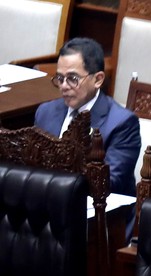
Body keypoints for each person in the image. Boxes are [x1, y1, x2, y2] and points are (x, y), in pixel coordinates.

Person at [35, 37, 141, 197]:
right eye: (59, 78)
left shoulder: (122, 123)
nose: (63, 86)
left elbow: (111, 181)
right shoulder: (45, 112)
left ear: (98, 80)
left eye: (72, 79)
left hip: (102, 212)